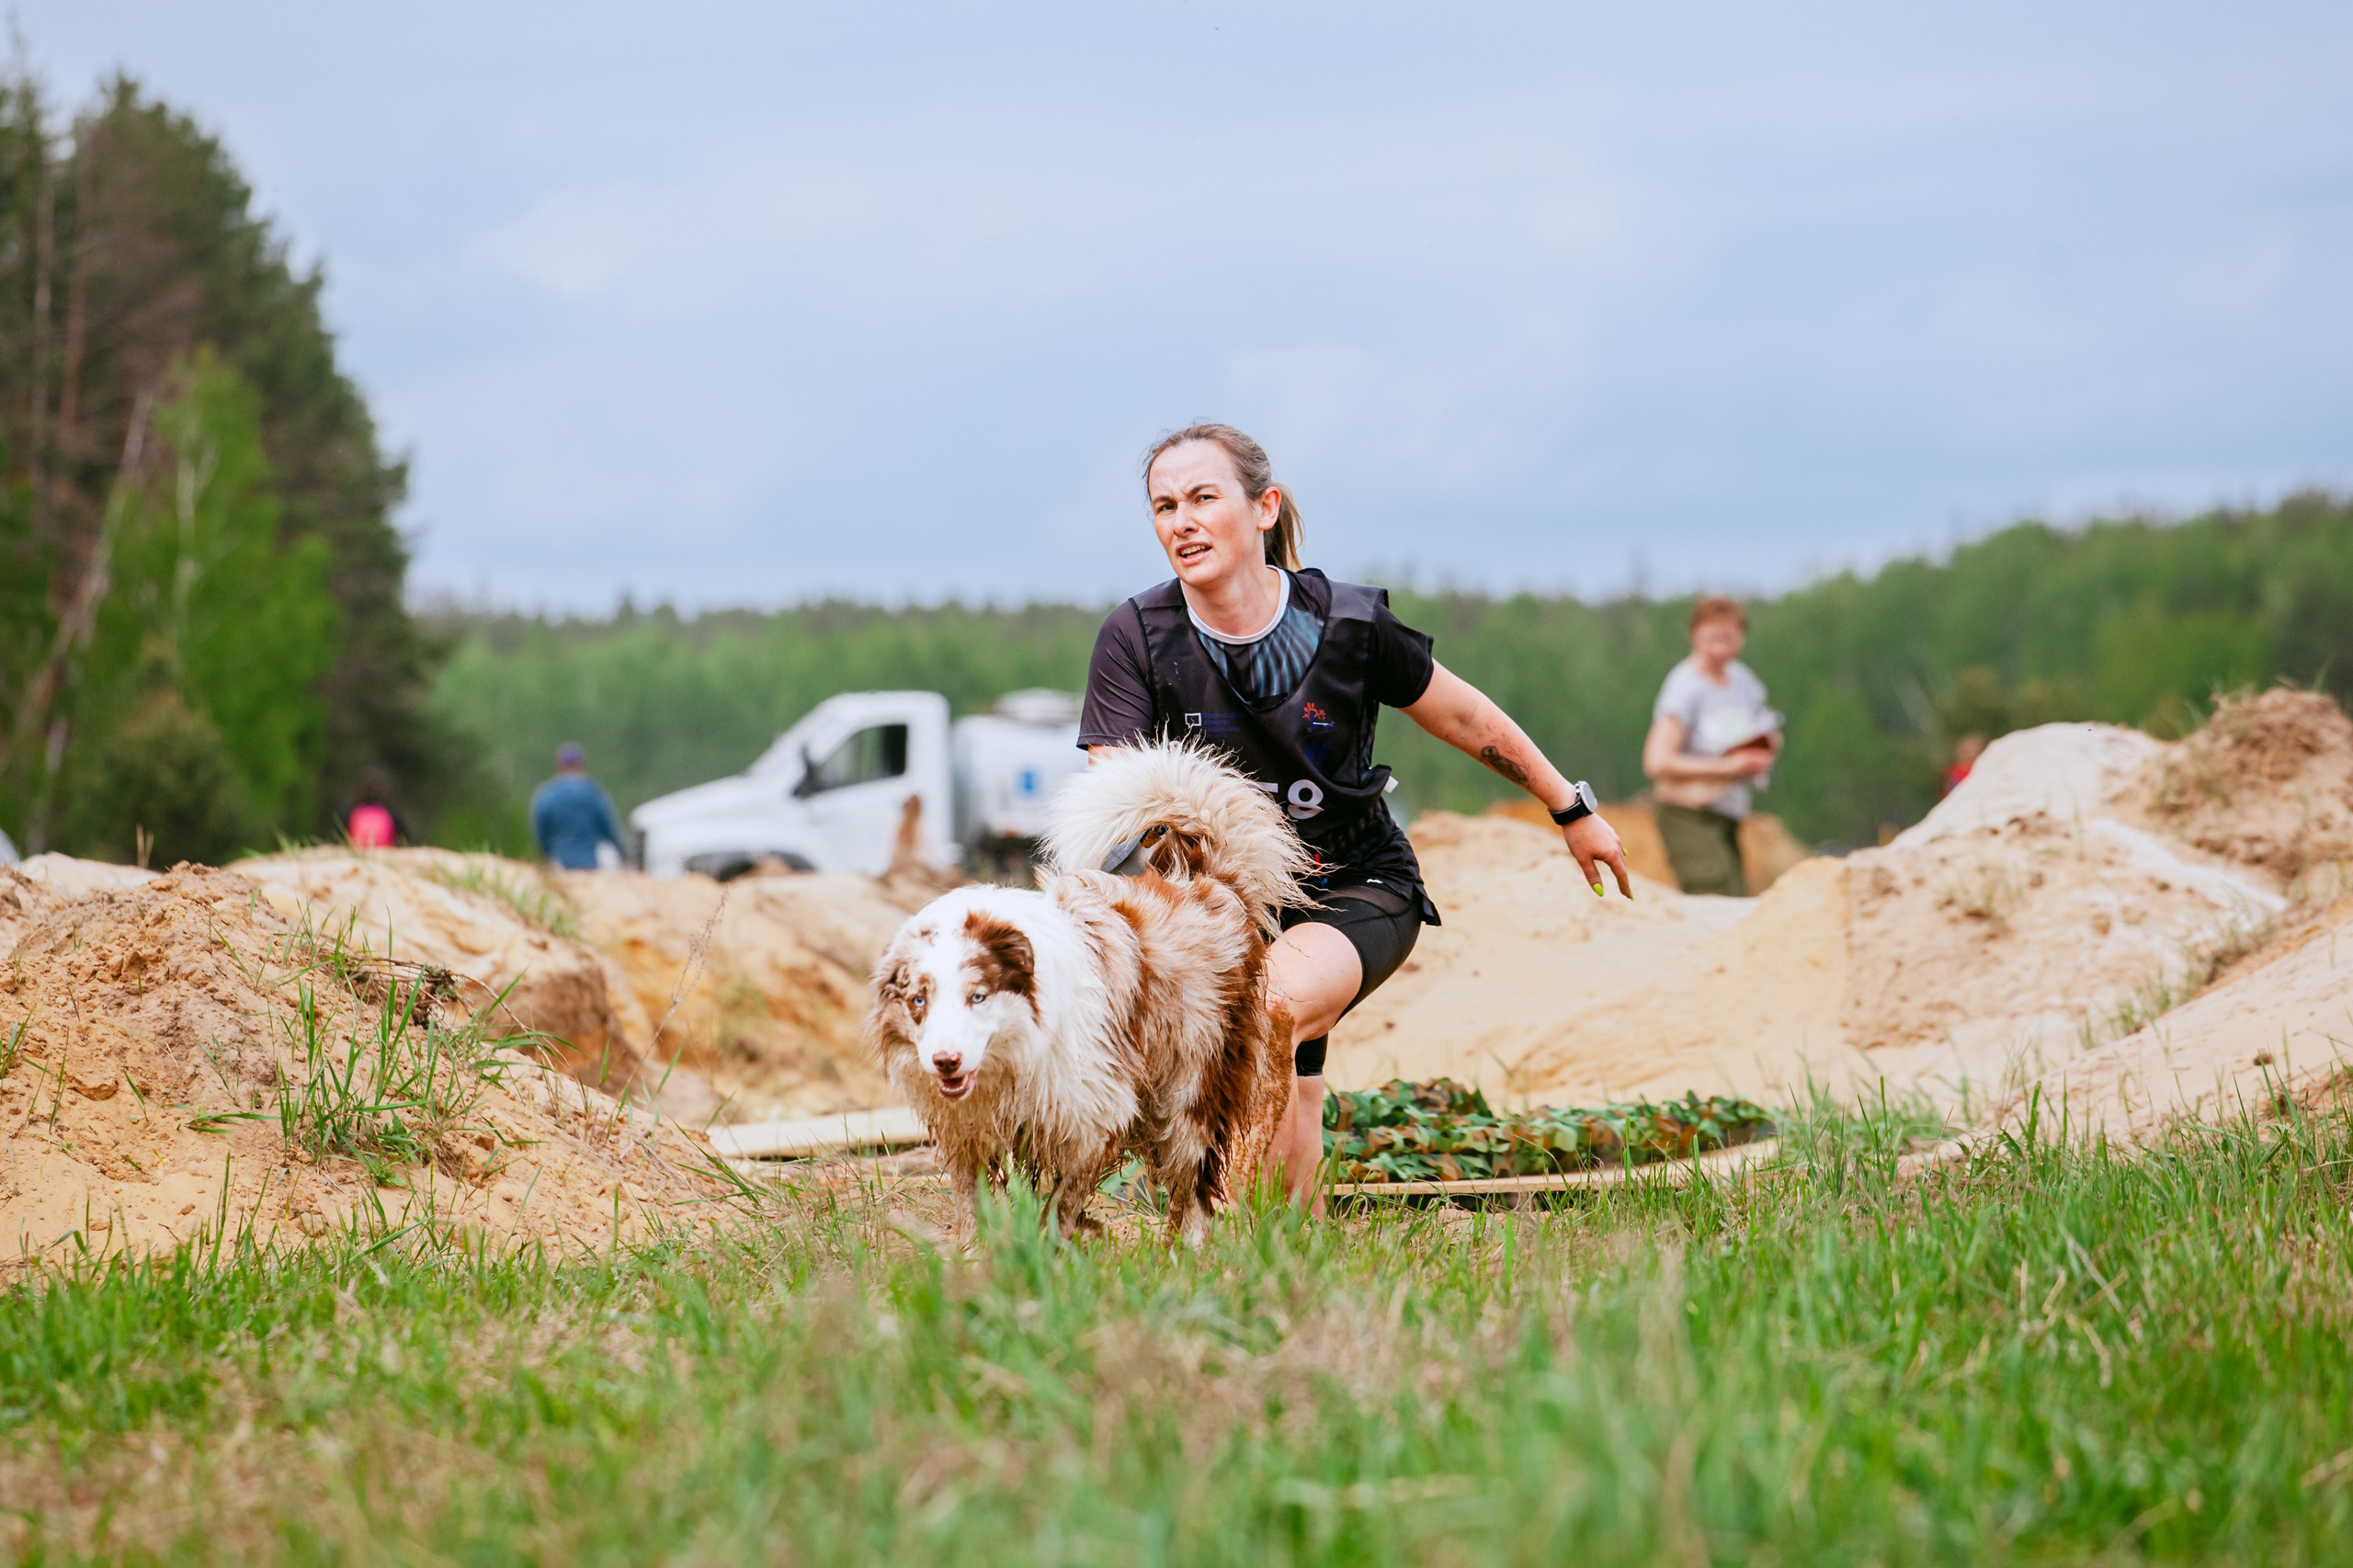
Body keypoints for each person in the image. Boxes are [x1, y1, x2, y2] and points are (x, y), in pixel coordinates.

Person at [1078, 423, 1632, 1210]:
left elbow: (1463, 717)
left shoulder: (1348, 623)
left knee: (1266, 1010)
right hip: (1219, 908)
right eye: (1165, 507)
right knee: (1295, 1089)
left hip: (1353, 884)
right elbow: (1115, 797)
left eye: (1203, 498)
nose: (1183, 522)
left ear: (1264, 507)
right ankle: (1284, 1255)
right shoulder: (1136, 635)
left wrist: (1570, 808)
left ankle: (1217, 1235)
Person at [1642, 597, 1780, 897]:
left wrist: (1763, 750)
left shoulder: (1742, 680)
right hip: (1687, 811)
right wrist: (1728, 767)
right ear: (1694, 634)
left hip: (1726, 809)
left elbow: (1764, 724)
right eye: (1713, 634)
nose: (1721, 643)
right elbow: (1657, 761)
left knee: (1736, 895)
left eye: (1728, 635)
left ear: (1741, 636)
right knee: (1715, 894)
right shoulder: (1685, 686)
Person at [530, 743, 628, 870]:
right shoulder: (593, 792)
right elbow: (608, 826)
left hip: (561, 863)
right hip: (591, 863)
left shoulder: (548, 793)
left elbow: (541, 829)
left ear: (559, 765)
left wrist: (545, 854)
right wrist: (623, 854)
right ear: (581, 764)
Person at [339, 766, 414, 850]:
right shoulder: (391, 813)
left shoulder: (350, 812)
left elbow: (339, 839)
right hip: (385, 852)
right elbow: (405, 838)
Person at [1942, 732, 1987, 796]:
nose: (1972, 754)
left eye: (1975, 750)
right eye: (1968, 750)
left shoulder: (1983, 768)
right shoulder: (1952, 773)